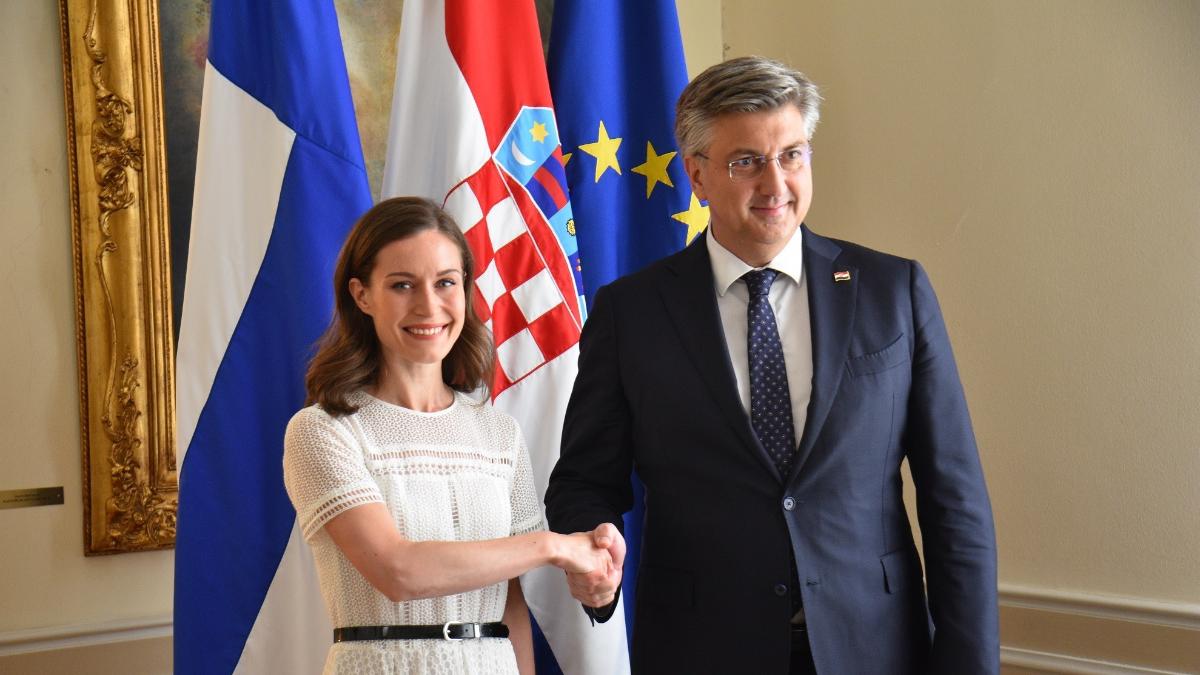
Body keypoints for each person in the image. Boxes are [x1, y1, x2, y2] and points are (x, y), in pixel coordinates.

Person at [545, 56, 998, 674]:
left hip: (875, 647)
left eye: (792, 155)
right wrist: (594, 545)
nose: (776, 183)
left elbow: (956, 498)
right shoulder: (632, 312)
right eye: (746, 162)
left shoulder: (893, 291)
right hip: (699, 648)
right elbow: (583, 481)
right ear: (697, 176)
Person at [283, 197, 615, 674]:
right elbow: (399, 572)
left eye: (445, 283)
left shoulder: (498, 433)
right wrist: (553, 545)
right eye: (402, 285)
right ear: (361, 295)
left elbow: (510, 601)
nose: (429, 306)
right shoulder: (323, 431)